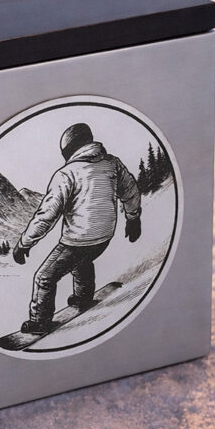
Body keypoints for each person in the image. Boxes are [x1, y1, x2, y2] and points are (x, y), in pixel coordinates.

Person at [12, 123, 141, 335]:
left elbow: (47, 215)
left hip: (78, 240)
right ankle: (83, 296)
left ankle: (39, 322)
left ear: (68, 150)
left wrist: (24, 243)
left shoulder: (66, 174)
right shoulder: (112, 163)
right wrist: (133, 218)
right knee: (83, 258)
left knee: (45, 277)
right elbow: (130, 190)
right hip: (105, 236)